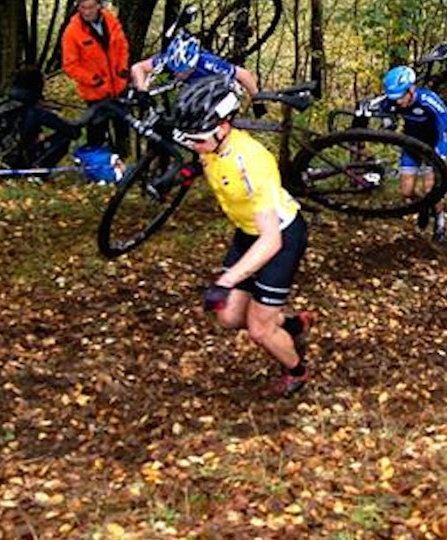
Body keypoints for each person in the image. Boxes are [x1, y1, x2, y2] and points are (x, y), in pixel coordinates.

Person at [172, 76, 315, 398]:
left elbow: (271, 241)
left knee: (259, 329)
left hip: (279, 238)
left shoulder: (252, 161)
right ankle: (294, 325)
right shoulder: (210, 145)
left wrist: (226, 281)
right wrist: (179, 175)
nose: (193, 147)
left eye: (196, 139)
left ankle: (297, 372)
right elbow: (204, 163)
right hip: (248, 232)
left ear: (222, 127)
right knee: (229, 316)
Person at [381, 65, 447, 242]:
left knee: (430, 189)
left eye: (401, 96)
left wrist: (441, 153)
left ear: (411, 89)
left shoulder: (428, 100)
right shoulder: (392, 100)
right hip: (411, 146)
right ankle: (423, 206)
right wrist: (387, 120)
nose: (398, 101)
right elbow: (382, 107)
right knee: (406, 191)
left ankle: (439, 220)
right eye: (394, 98)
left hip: (434, 147)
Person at [61, 0, 131, 151]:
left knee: (122, 125)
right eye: (83, 8)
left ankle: (123, 156)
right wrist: (92, 79)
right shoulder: (72, 32)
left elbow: (122, 46)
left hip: (118, 86)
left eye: (91, 7)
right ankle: (96, 162)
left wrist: (122, 68)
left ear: (99, 6)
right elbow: (70, 65)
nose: (87, 12)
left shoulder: (111, 21)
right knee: (97, 129)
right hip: (95, 91)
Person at [0, 68, 80, 169]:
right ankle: (38, 169)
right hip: (16, 160)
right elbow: (70, 131)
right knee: (64, 137)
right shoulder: (34, 110)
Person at [130, 31, 259, 101]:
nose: (178, 74)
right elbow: (137, 68)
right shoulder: (167, 59)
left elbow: (244, 74)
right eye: (175, 70)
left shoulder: (209, 63)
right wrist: (142, 91)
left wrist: (257, 100)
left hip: (219, 88)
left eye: (183, 70)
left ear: (193, 65)